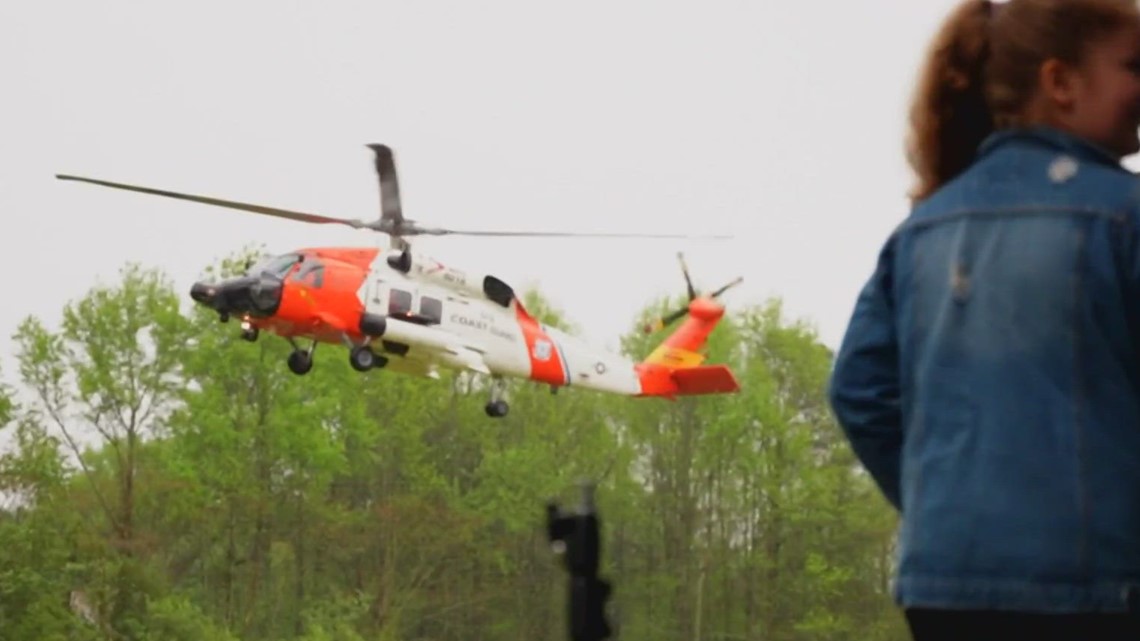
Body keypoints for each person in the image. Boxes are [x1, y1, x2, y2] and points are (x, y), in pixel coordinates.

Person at [827, 0, 1140, 638]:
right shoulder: (1123, 218)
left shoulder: (921, 230)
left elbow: (859, 390)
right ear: (1061, 82)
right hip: (1094, 589)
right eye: (1133, 66)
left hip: (944, 585)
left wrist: (941, 502)